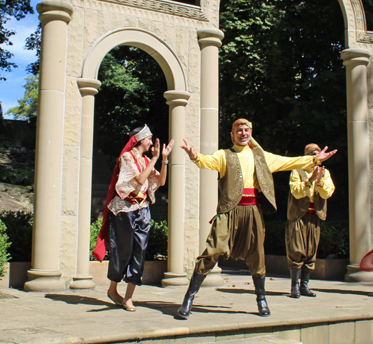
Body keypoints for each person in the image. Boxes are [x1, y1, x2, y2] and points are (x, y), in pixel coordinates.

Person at [176, 119, 337, 319]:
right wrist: (194, 155)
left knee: (257, 255)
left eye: (246, 130)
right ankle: (189, 298)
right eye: (239, 130)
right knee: (214, 249)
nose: (243, 133)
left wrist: (314, 160)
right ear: (232, 134)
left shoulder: (261, 157)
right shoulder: (224, 155)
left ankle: (261, 299)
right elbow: (206, 161)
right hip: (229, 210)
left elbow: (289, 162)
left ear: (251, 133)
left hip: (253, 211)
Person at [92, 125, 174, 311]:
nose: (152, 142)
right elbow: (138, 180)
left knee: (140, 252)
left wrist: (164, 159)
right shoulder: (127, 157)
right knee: (123, 251)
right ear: (140, 139)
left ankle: (129, 297)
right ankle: (113, 289)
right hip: (125, 211)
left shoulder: (147, 160)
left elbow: (160, 181)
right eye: (149, 139)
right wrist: (154, 159)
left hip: (143, 210)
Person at [286, 143, 335, 298]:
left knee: (310, 252)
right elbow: (297, 192)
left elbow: (327, 192)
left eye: (317, 153)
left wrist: (319, 181)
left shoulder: (324, 173)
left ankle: (304, 286)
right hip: (298, 216)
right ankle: (294, 286)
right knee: (296, 250)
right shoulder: (297, 170)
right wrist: (309, 181)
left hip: (314, 216)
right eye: (311, 154)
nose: (315, 156)